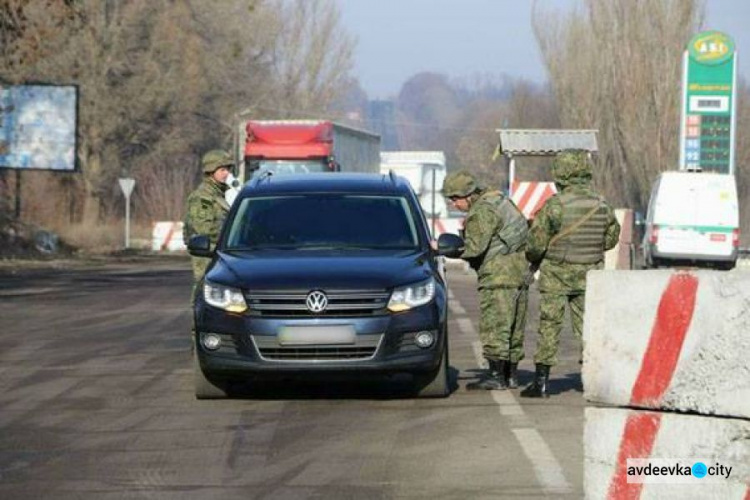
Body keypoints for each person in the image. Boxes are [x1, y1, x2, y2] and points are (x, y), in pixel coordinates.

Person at [520, 149, 621, 398]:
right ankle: (594, 380)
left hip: (556, 274)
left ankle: (541, 383)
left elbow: (535, 245)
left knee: (550, 326)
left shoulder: (555, 206)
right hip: (590, 274)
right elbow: (610, 239)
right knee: (590, 327)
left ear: (561, 174)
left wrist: (535, 258)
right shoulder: (602, 205)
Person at [443, 170, 531, 390]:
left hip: (497, 275)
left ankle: (496, 376)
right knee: (513, 327)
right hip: (519, 271)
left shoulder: (481, 211)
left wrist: (447, 249)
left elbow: (474, 248)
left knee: (495, 326)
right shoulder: (499, 200)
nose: (454, 204)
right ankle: (511, 375)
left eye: (455, 199)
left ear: (468, 195)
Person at [183, 149, 234, 286]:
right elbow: (203, 229)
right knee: (204, 289)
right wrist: (228, 238)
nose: (227, 173)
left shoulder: (217, 195)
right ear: (211, 171)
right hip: (206, 254)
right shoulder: (203, 197)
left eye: (228, 169)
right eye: (222, 169)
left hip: (217, 252)